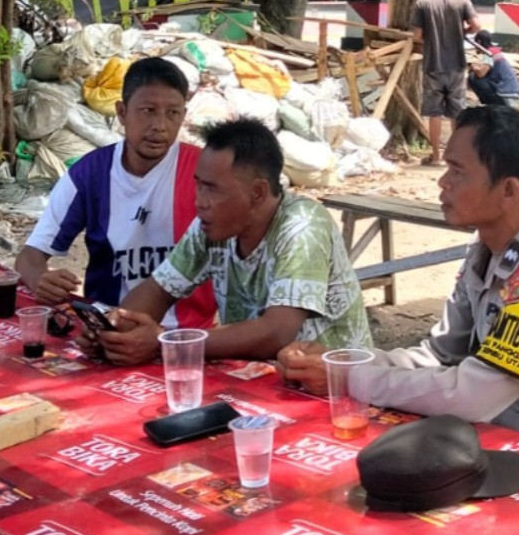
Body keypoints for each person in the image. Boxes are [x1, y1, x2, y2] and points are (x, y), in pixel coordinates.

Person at [278, 106, 519, 460]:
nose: (442, 182)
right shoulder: (487, 248)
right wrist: (342, 362)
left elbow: (472, 395)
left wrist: (349, 380)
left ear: (509, 190)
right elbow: (439, 356)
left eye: (457, 170)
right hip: (500, 434)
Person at [92, 118, 372, 365]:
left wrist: (165, 342)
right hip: (262, 377)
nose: (199, 201)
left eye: (212, 188)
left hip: (335, 389)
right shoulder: (211, 225)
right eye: (199, 184)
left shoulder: (303, 225)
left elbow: (278, 332)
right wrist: (117, 330)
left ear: (258, 192)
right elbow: (158, 289)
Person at [15, 57, 216, 330]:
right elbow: (29, 257)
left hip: (186, 336)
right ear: (121, 112)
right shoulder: (88, 174)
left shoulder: (207, 173)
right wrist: (40, 279)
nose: (160, 125)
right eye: (148, 110)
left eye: (173, 113)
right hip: (108, 329)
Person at [413, 0, 480, 167]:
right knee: (457, 112)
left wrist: (429, 39)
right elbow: (476, 26)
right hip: (457, 65)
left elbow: (417, 35)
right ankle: (457, 158)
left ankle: (435, 157)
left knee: (434, 113)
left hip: (433, 65)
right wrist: (461, 32)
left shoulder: (423, 2)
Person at [467, 30, 519, 107]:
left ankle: (489, 105)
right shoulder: (495, 51)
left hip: (505, 93)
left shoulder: (489, 53)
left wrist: (473, 67)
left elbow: (481, 74)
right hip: (510, 91)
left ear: (478, 42)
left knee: (473, 77)